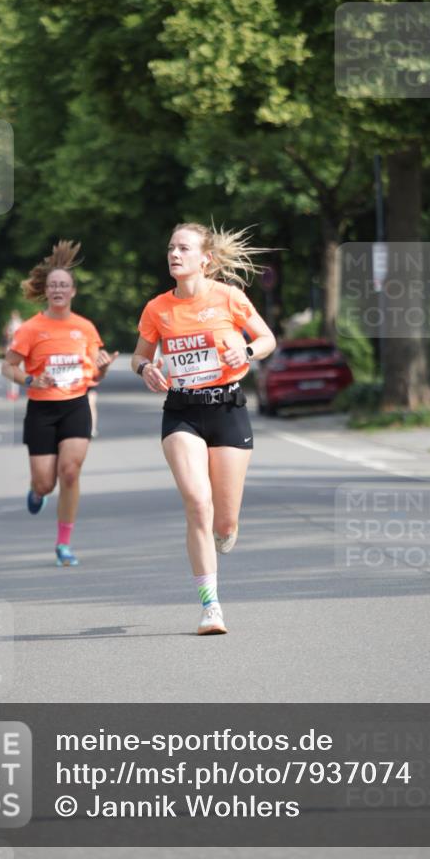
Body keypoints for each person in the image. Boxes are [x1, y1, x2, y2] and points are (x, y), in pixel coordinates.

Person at [132, 222, 276, 635]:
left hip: (228, 408)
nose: (174, 254)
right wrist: (147, 369)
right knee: (197, 502)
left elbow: (266, 339)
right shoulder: (157, 308)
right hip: (182, 412)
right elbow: (139, 357)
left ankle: (226, 530)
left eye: (184, 248)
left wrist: (244, 349)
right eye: (170, 248)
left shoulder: (229, 297)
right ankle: (210, 607)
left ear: (205, 259)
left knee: (224, 523)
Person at [1, 241, 118, 566]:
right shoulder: (30, 329)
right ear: (46, 291)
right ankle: (36, 491)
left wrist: (104, 366)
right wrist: (28, 379)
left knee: (70, 473)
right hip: (41, 409)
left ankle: (64, 543)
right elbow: (7, 366)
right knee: (45, 481)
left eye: (63, 285)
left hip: (75, 405)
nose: (58, 290)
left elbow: (96, 371)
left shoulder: (85, 328)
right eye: (53, 285)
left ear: (72, 291)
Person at [1, 310, 23, 400]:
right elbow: (5, 334)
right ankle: (11, 392)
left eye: (14, 315)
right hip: (10, 349)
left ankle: (15, 393)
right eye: (12, 315)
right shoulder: (10, 324)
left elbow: (20, 336)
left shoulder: (20, 324)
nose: (13, 316)